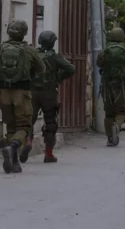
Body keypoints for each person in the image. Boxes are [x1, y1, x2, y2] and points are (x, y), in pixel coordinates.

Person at [0, 20, 45, 174]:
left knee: (10, 127)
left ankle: (14, 162)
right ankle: (13, 147)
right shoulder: (28, 49)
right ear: (24, 33)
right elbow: (41, 68)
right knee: (24, 127)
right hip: (22, 93)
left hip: (4, 94)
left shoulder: (0, 48)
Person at [22, 30, 75, 163]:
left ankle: (28, 141)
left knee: (29, 120)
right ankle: (48, 154)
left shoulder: (32, 54)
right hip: (49, 93)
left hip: (32, 92)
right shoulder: (55, 57)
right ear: (52, 43)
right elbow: (71, 69)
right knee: (50, 122)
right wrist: (58, 78)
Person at [96, 27, 125, 146]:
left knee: (109, 113)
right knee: (120, 111)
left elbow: (99, 63)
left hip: (107, 86)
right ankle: (117, 126)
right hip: (120, 86)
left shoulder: (105, 50)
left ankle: (110, 138)